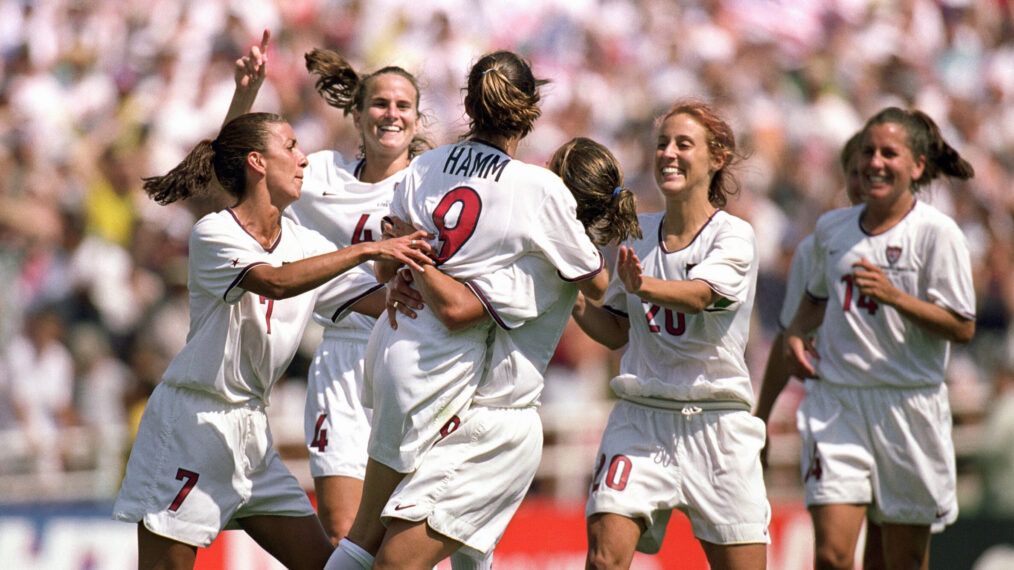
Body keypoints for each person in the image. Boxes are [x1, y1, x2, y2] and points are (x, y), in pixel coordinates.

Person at [326, 51, 611, 570]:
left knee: (373, 537)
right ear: (530, 109)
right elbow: (596, 281)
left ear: (468, 103)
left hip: (391, 347)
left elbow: (385, 269)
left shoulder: (423, 166)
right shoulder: (536, 191)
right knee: (377, 546)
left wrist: (409, 267)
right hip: (442, 376)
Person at [110, 111, 432, 570]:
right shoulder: (213, 232)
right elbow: (276, 282)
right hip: (192, 426)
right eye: (292, 146)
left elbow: (379, 300)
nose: (304, 160)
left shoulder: (304, 241)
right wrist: (366, 248)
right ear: (257, 163)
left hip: (251, 434)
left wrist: (421, 287)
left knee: (327, 564)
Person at [370, 136, 642, 570]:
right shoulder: (551, 259)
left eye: (546, 169)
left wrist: (414, 253)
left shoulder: (541, 265)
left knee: (392, 563)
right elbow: (610, 330)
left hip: (494, 426)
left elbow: (457, 307)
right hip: (468, 415)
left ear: (556, 190)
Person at [223, 30, 432, 546]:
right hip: (342, 359)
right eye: (379, 103)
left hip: (415, 358)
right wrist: (245, 96)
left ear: (418, 119)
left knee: (407, 536)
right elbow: (237, 171)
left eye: (404, 105)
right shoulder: (320, 174)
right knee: (343, 534)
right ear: (357, 117)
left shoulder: (434, 184)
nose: (392, 114)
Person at [570, 99, 769, 570]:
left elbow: (701, 296)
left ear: (716, 157)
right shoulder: (638, 233)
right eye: (662, 144)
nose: (669, 154)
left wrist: (644, 286)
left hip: (717, 425)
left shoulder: (734, 236)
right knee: (603, 560)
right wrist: (574, 298)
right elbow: (617, 329)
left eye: (684, 144)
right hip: (641, 419)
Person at [783, 106, 976, 570]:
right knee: (831, 554)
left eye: (889, 153)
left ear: (917, 166)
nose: (875, 162)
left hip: (908, 407)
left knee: (903, 561)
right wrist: (794, 334)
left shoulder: (938, 234)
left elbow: (962, 326)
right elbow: (814, 299)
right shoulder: (832, 228)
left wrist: (894, 296)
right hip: (839, 403)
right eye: (868, 151)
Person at [754, 130, 865, 465]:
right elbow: (790, 334)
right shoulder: (814, 247)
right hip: (832, 410)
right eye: (856, 172)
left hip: (897, 406)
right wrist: (762, 418)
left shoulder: (926, 238)